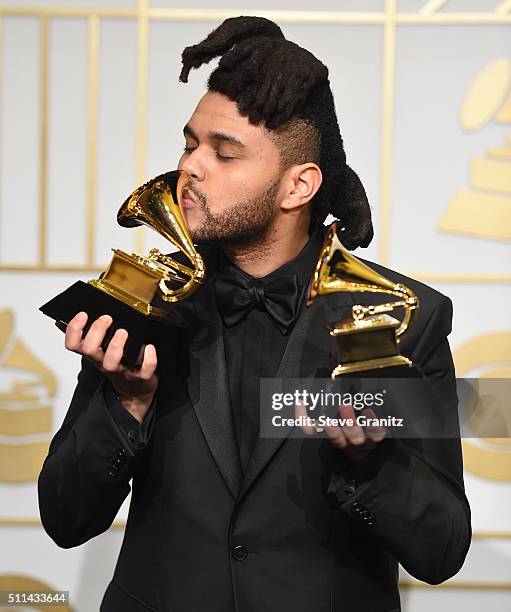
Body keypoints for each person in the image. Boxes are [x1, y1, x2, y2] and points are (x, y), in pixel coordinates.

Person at [38, 16, 471, 612]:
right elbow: (64, 518)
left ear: (299, 186)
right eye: (190, 143)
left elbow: (442, 549)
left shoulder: (403, 319)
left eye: (225, 152)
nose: (190, 167)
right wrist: (127, 401)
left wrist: (370, 461)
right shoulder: (144, 303)